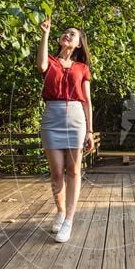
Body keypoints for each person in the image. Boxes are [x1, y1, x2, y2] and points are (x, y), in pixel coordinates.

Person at [35, 16, 94, 242]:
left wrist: (90, 131)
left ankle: (69, 220)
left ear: (79, 43)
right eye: (65, 32)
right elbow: (40, 65)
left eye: (73, 33)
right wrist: (45, 34)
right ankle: (60, 211)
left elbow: (87, 101)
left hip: (77, 119)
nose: (67, 34)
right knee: (57, 171)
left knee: (74, 170)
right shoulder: (50, 61)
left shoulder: (82, 68)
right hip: (52, 116)